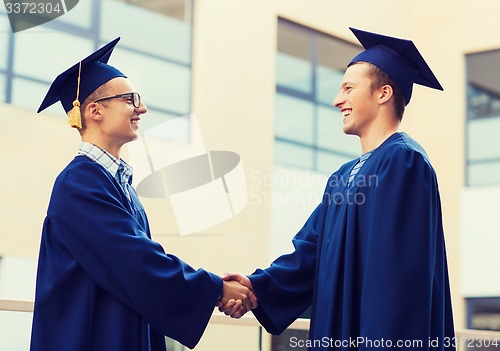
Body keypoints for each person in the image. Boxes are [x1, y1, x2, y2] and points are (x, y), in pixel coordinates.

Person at [220, 27, 456, 350]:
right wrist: (256, 288)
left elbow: (397, 285)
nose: (337, 100)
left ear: (383, 93)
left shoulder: (404, 164)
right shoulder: (342, 178)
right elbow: (309, 254)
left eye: (347, 88)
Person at [30, 37, 256, 351]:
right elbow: (134, 260)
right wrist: (215, 288)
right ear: (94, 111)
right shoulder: (79, 182)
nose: (143, 108)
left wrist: (214, 287)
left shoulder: (115, 181)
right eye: (130, 99)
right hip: (91, 336)